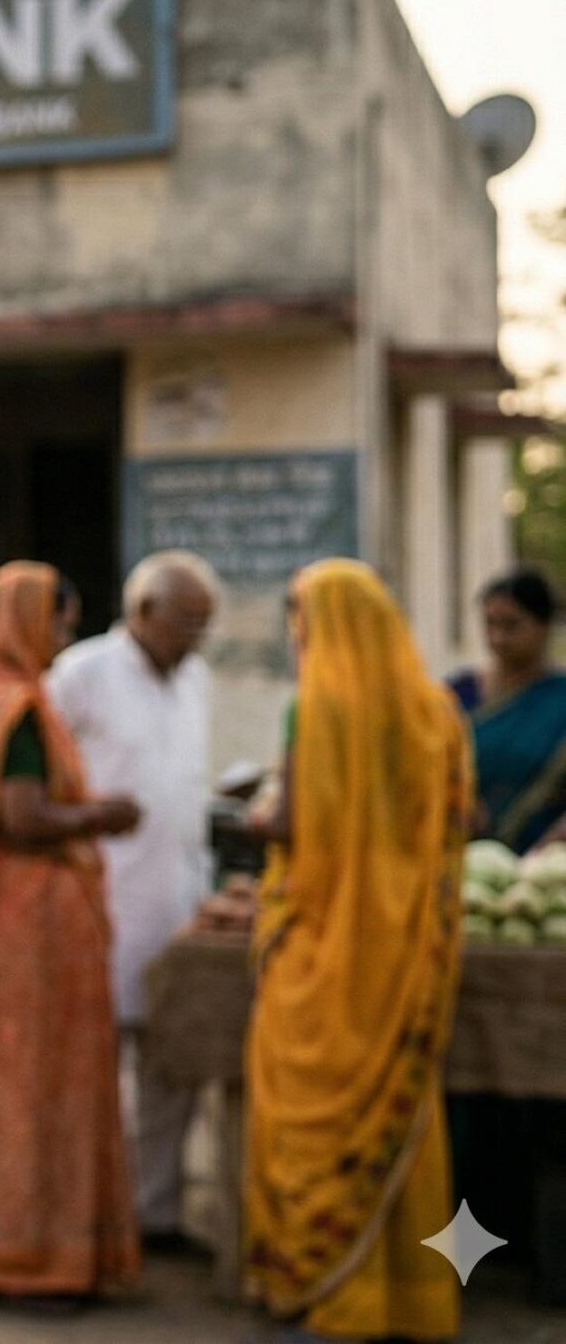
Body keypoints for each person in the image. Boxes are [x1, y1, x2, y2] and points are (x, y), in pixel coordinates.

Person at [244, 559, 467, 1342]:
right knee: (398, 1107)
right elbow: (454, 826)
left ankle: (323, 1283)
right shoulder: (435, 713)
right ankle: (409, 1296)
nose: (297, 635)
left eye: (301, 618)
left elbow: (290, 826)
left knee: (309, 1113)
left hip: (323, 950)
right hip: (400, 952)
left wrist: (261, 814)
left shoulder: (317, 707)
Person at [0, 562, 144, 1313]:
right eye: (59, 622)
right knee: (41, 1090)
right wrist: (101, 816)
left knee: (5, 1090)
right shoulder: (13, 711)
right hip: (30, 933)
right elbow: (22, 818)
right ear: (24, 623)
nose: (64, 638)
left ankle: (3, 1252)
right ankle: (36, 1264)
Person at [46, 550, 220, 1254]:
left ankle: (157, 1214)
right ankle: (83, 1216)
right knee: (90, 1072)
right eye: (186, 623)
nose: (196, 639)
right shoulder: (82, 674)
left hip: (178, 896)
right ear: (143, 612)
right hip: (104, 901)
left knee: (171, 1068)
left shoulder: (198, 678)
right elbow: (36, 773)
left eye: (206, 626)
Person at [447, 567, 566, 852]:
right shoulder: (460, 693)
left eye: (512, 626)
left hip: (545, 867)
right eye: (490, 624)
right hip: (460, 855)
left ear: (545, 625)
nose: (498, 638)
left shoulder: (559, 697)